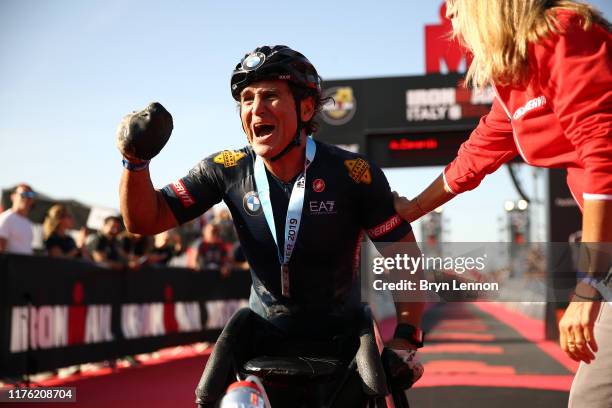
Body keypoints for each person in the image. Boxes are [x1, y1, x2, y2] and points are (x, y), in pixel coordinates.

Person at [117, 45, 425, 406]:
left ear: (306, 108)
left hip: (342, 340)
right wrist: (135, 162)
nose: (256, 109)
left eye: (270, 96)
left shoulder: (354, 174)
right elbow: (144, 220)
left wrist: (406, 336)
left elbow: (404, 257)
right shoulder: (225, 168)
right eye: (247, 99)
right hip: (262, 335)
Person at [392, 1, 611, 407]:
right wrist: (412, 210)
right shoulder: (515, 81)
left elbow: (604, 156)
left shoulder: (561, 33)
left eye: (456, 5)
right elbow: (473, 159)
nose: (449, 15)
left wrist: (589, 287)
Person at [0, 183, 35, 254]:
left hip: (24, 264)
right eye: (23, 194)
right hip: (10, 264)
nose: (26, 198)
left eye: (30, 195)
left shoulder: (27, 222)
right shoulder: (7, 218)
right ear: (13, 197)